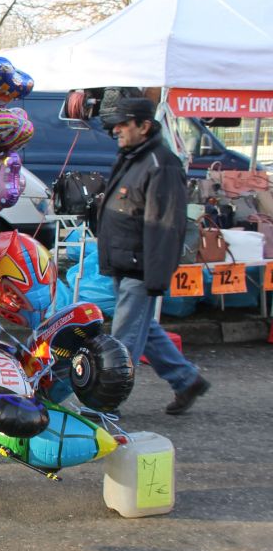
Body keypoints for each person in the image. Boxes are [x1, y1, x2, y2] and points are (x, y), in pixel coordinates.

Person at [98, 97, 209, 414]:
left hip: (141, 266)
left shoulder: (162, 164)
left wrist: (156, 277)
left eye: (123, 124)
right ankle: (186, 379)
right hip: (125, 261)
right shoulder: (134, 157)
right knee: (143, 330)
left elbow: (165, 225)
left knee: (123, 338)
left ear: (144, 126)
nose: (116, 130)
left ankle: (106, 402)